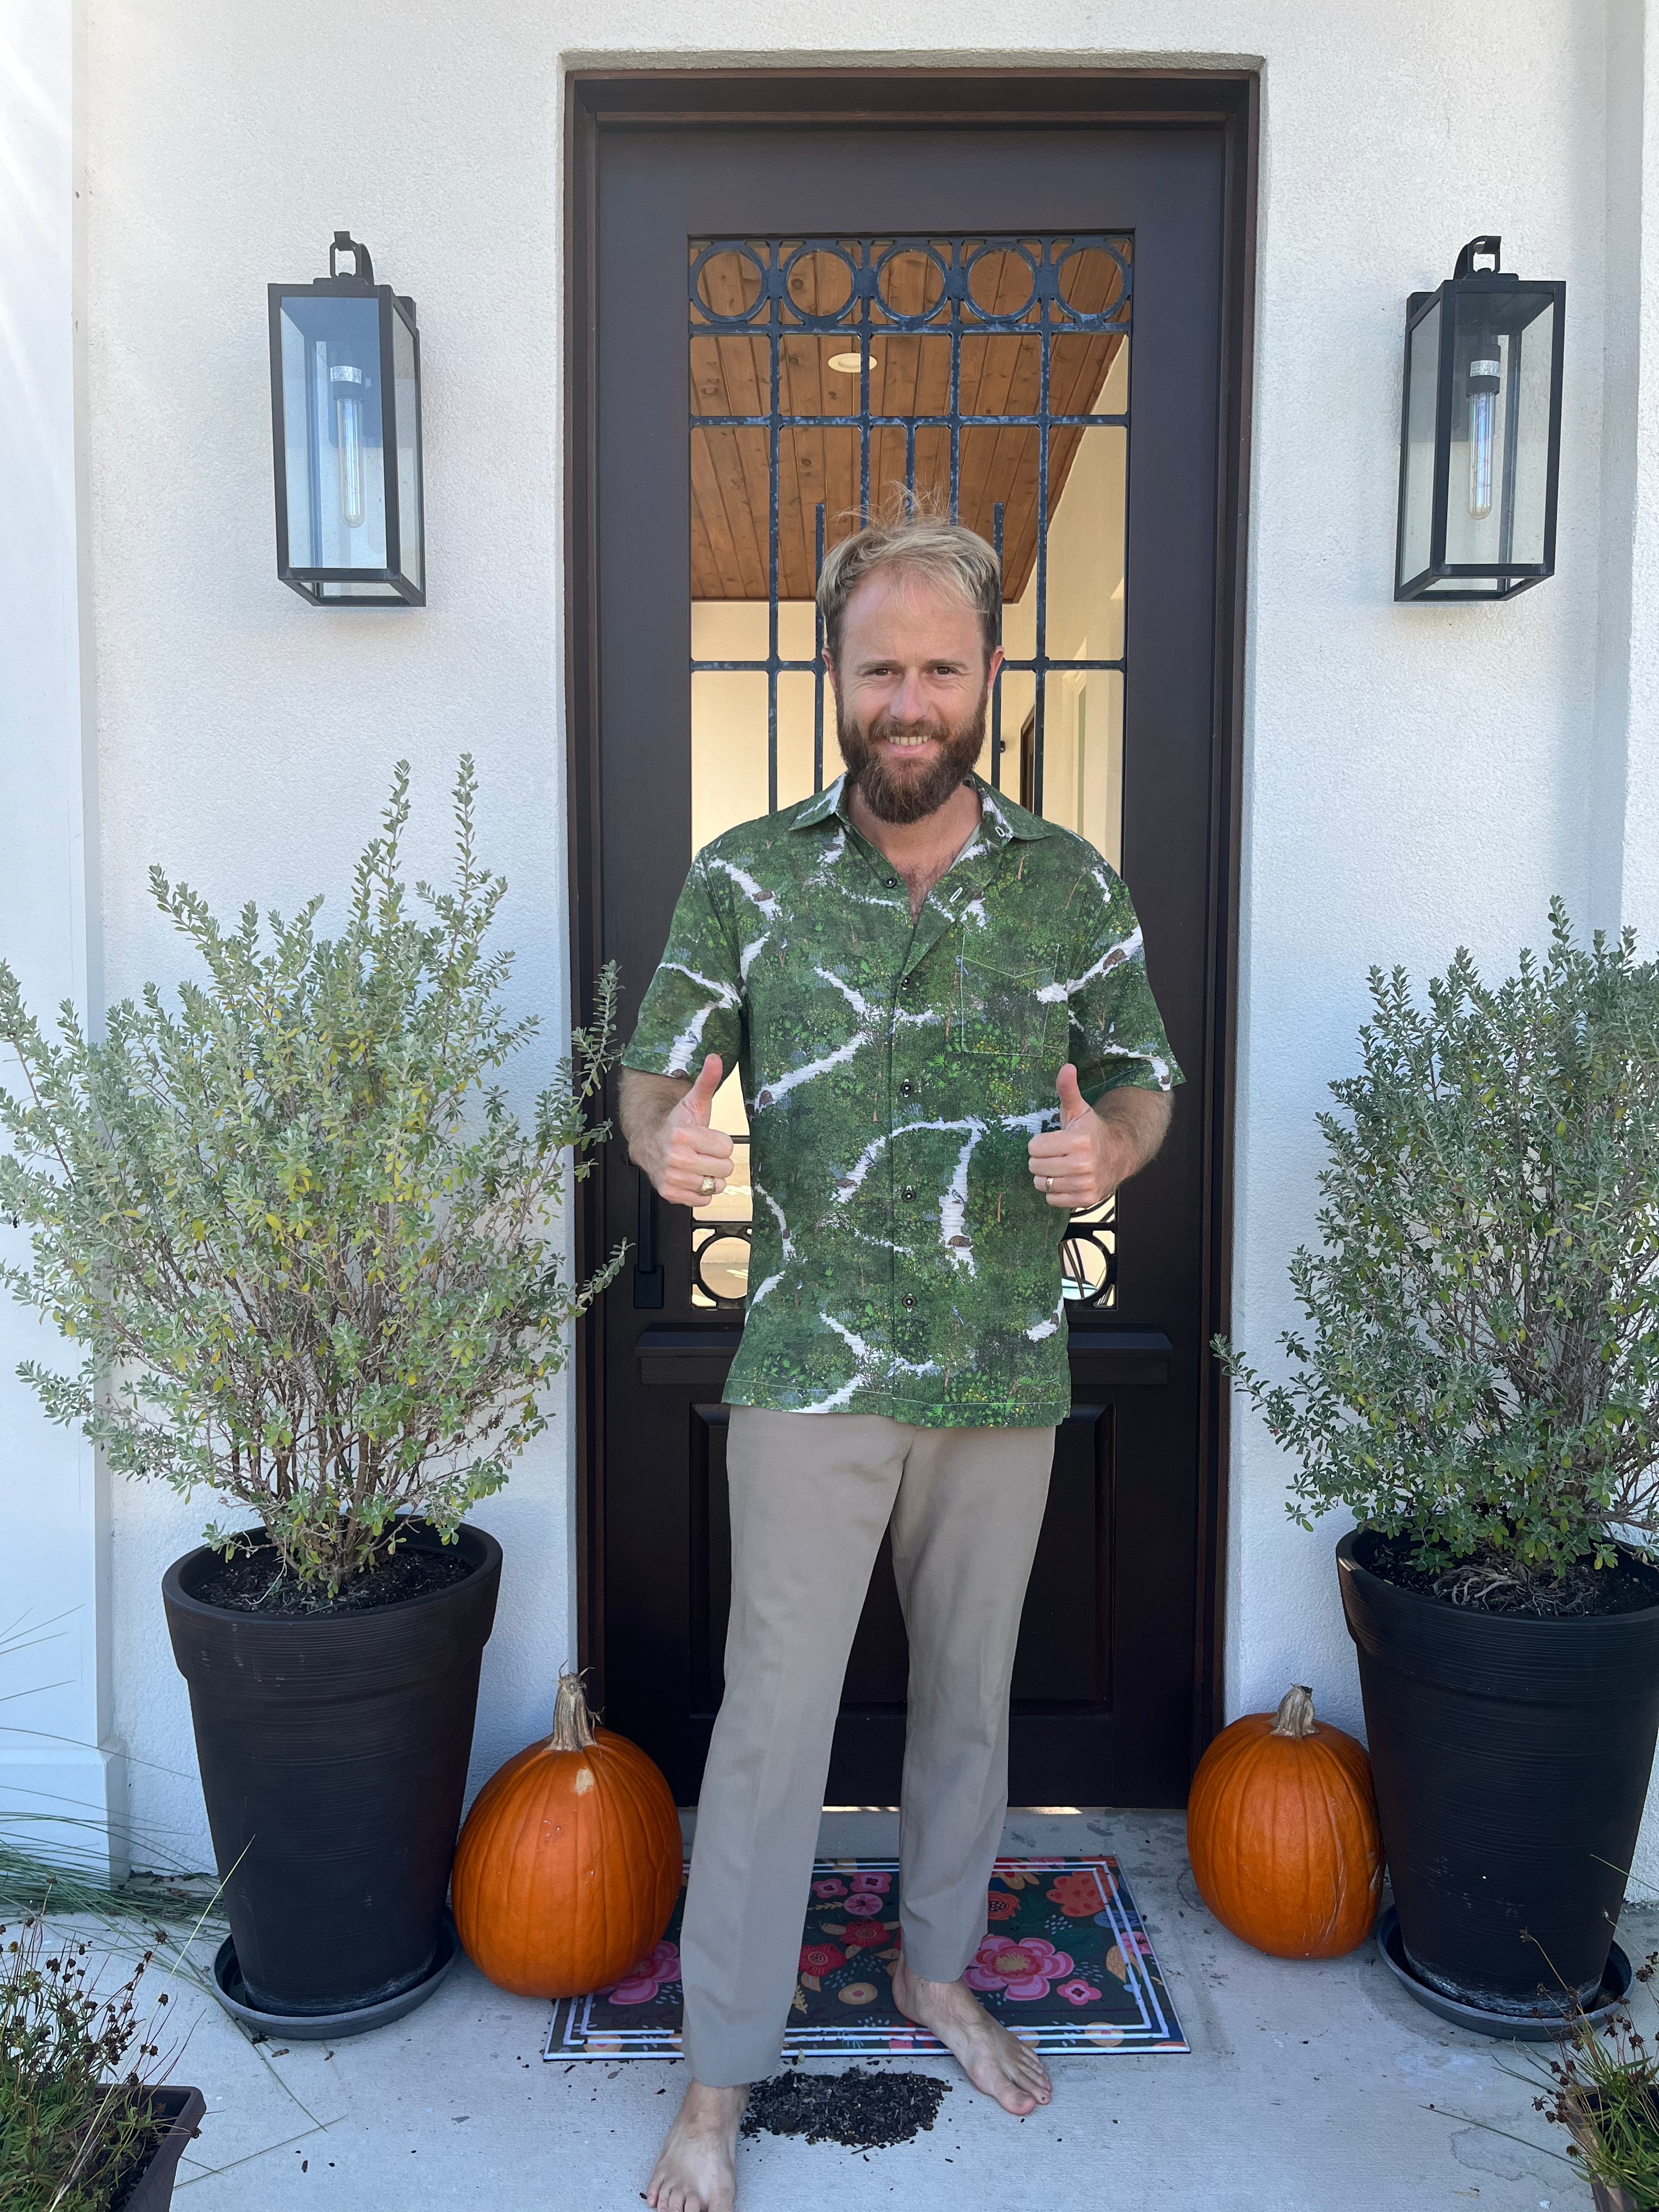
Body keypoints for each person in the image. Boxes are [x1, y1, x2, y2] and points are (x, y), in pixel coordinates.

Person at [623, 505, 1182, 2212]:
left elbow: (1143, 1074)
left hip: (1005, 1367)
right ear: (838, 680)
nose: (912, 697)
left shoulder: (1072, 880)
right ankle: (719, 2077)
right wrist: (667, 1141)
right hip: (807, 1360)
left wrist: (1117, 1156)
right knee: (772, 1725)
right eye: (883, 668)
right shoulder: (746, 875)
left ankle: (938, 1973)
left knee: (967, 1708)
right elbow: (655, 1071)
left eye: (943, 666)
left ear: (991, 675)